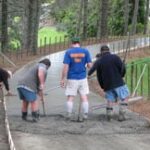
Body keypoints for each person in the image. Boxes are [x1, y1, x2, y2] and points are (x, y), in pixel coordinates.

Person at [88, 45, 129, 121]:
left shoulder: (99, 61)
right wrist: (122, 72)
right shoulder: (115, 57)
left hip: (107, 85)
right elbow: (122, 69)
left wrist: (102, 86)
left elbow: (95, 74)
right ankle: (122, 115)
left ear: (101, 52)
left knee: (110, 100)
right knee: (124, 96)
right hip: (118, 82)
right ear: (109, 50)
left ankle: (109, 116)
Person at [60, 37, 92, 120]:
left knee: (70, 97)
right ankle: (85, 114)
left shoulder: (68, 52)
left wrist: (63, 78)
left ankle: (69, 114)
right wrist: (89, 74)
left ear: (72, 43)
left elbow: (65, 67)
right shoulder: (85, 51)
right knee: (84, 96)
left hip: (72, 78)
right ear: (79, 43)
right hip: (82, 78)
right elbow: (89, 66)